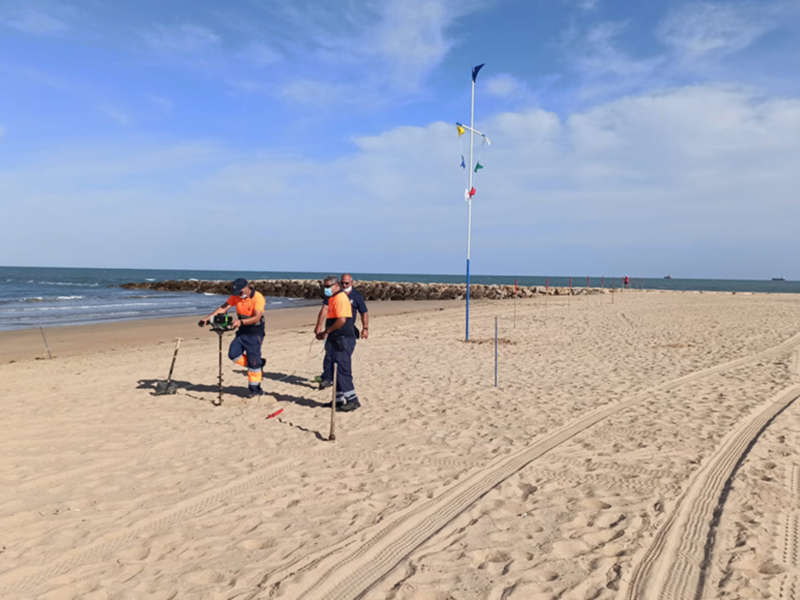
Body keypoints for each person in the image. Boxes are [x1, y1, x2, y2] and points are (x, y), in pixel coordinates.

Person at [200, 278, 266, 398]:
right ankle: (257, 363)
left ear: (246, 287)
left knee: (254, 365)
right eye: (236, 293)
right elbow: (223, 308)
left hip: (255, 333)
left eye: (240, 292)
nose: (238, 295)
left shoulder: (258, 297)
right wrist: (208, 319)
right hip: (242, 332)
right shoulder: (235, 296)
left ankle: (255, 389)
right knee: (233, 354)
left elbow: (256, 317)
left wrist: (240, 322)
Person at [314, 273, 368, 389]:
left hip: (345, 332)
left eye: (346, 283)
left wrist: (365, 328)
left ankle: (349, 396)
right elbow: (324, 308)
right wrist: (319, 325)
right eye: (342, 282)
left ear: (351, 283)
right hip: (334, 331)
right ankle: (327, 379)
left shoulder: (353, 296)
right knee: (329, 356)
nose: (344, 285)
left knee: (342, 363)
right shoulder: (332, 296)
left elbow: (362, 313)